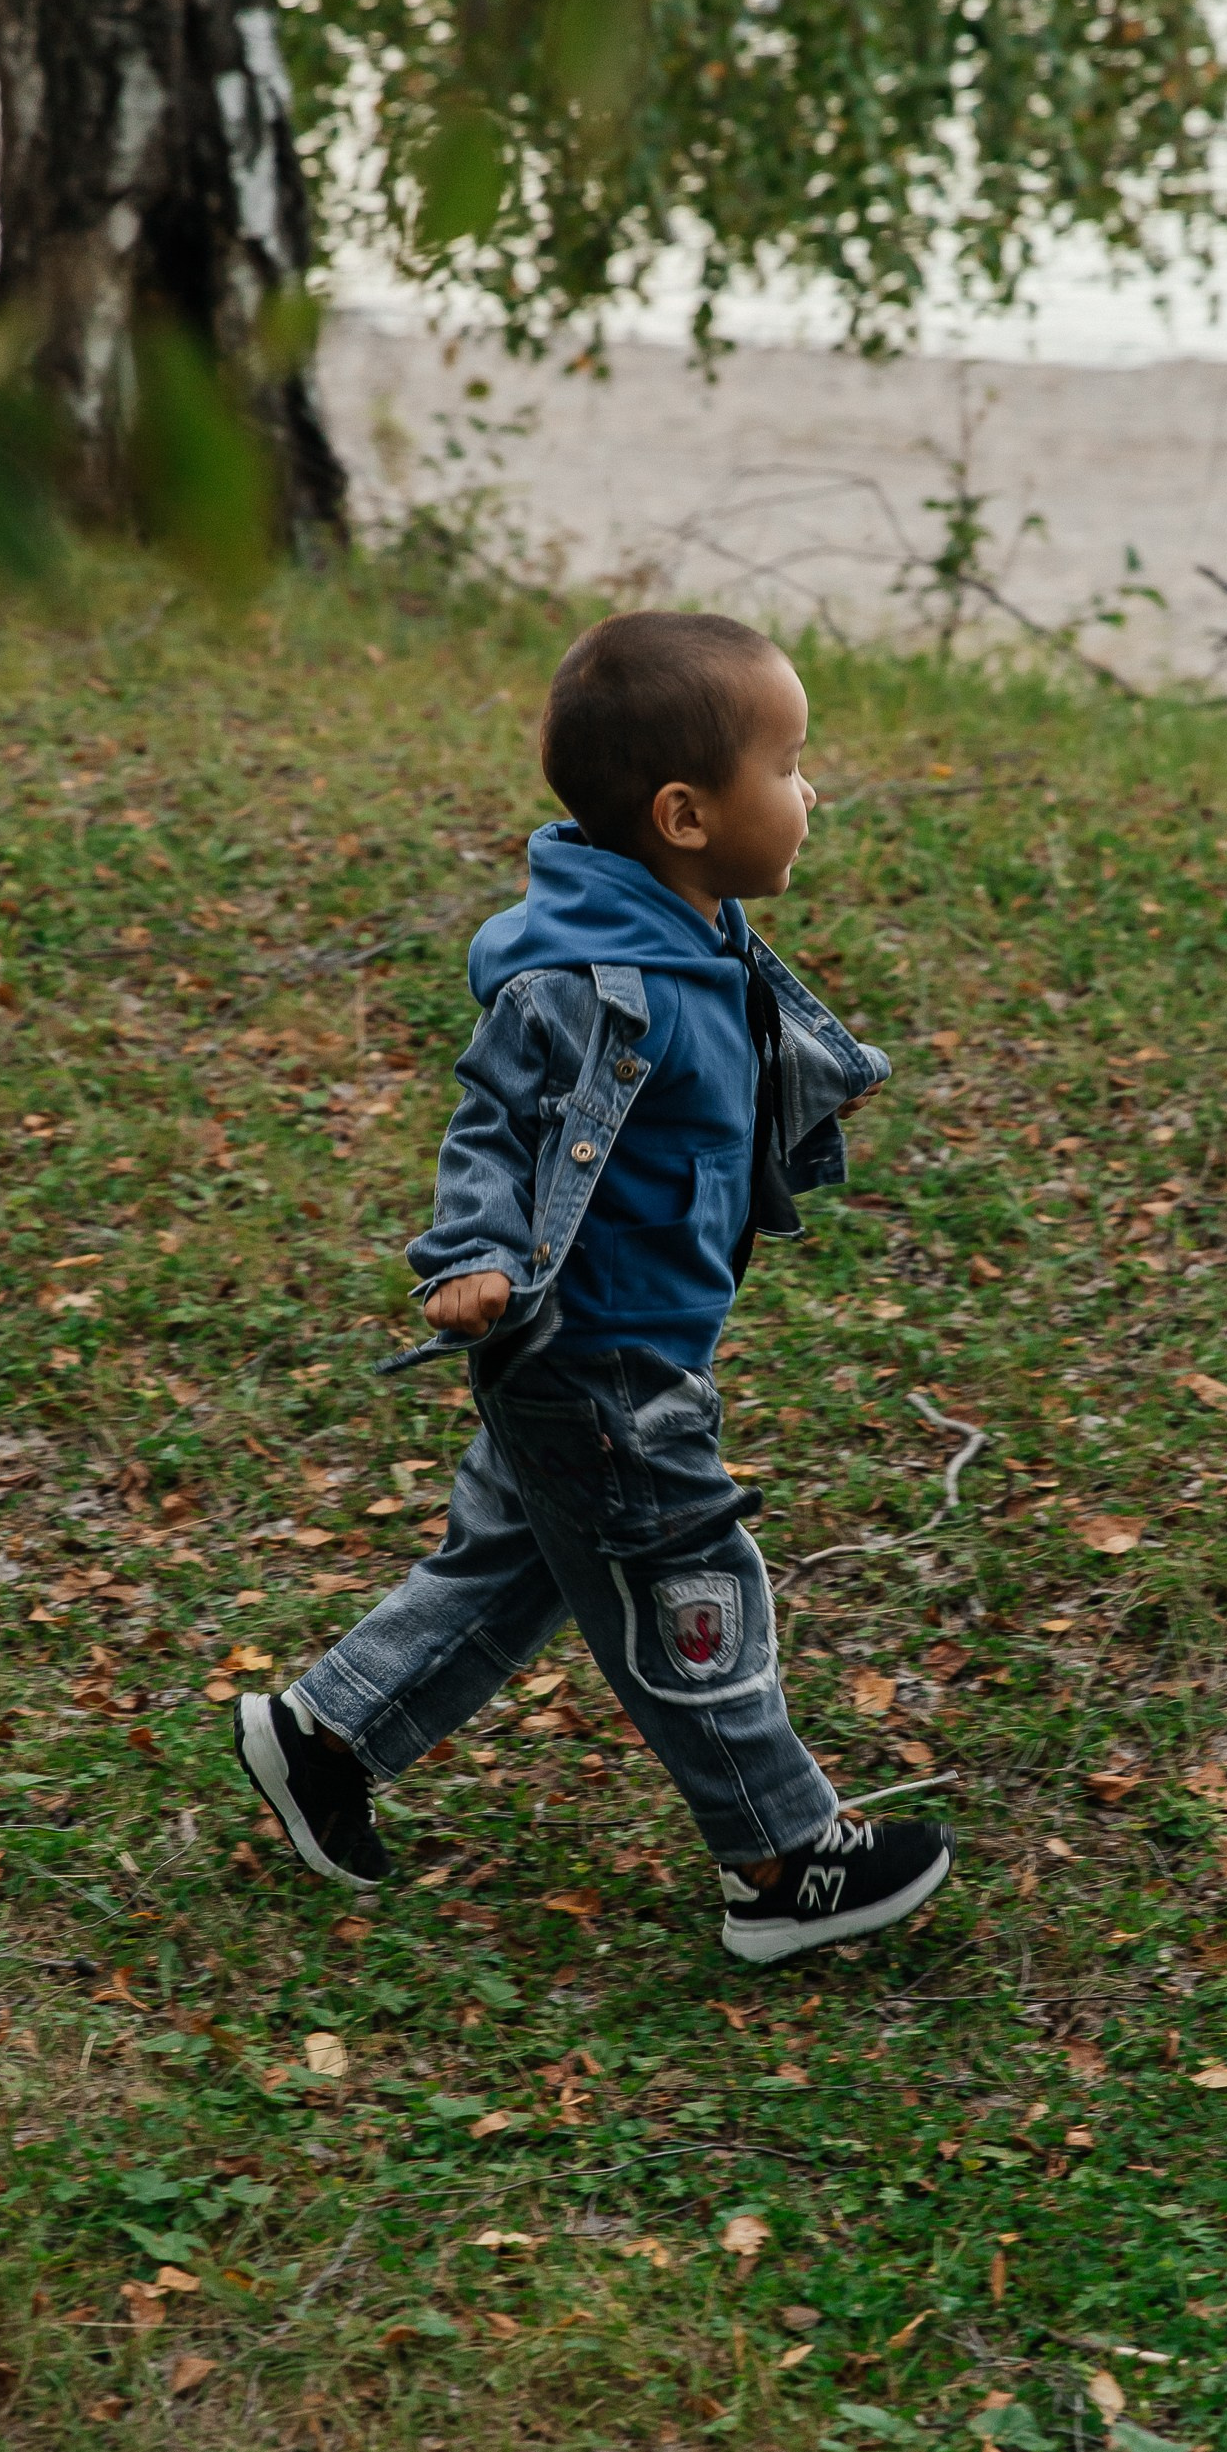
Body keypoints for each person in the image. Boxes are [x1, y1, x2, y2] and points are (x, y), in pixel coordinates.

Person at [232, 608, 955, 1964]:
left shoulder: (698, 930)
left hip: (633, 1345)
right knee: (687, 1582)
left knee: (516, 1570)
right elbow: (495, 1125)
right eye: (789, 764)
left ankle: (327, 1739)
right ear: (684, 814)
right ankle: (780, 1861)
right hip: (595, 1355)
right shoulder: (586, 979)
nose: (813, 791)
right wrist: (472, 1256)